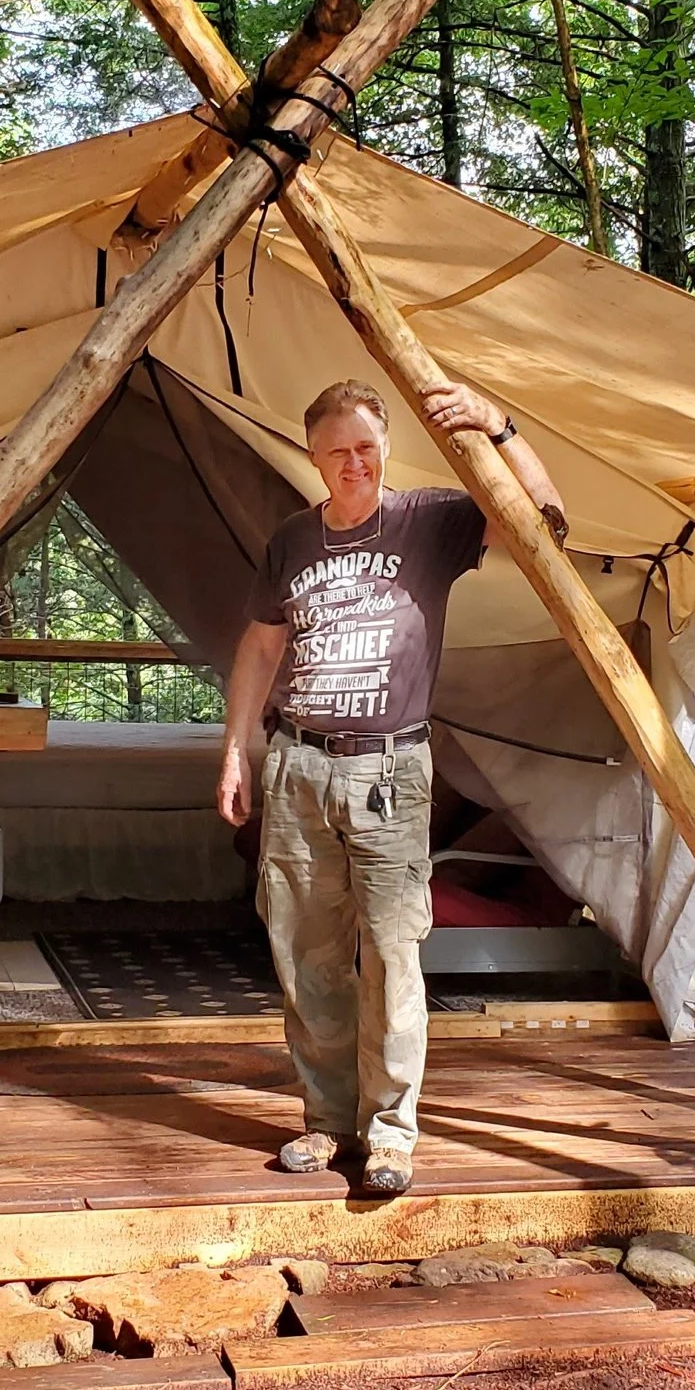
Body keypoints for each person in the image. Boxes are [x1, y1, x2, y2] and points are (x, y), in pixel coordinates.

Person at [217, 377, 564, 1194]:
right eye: (336, 450)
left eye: (366, 447)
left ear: (386, 447)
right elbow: (260, 651)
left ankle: (390, 1134)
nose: (353, 463)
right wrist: (236, 750)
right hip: (299, 763)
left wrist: (499, 424)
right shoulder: (291, 543)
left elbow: (545, 524)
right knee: (307, 952)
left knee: (393, 954)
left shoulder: (430, 522)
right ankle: (327, 1122)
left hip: (388, 769)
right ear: (312, 455)